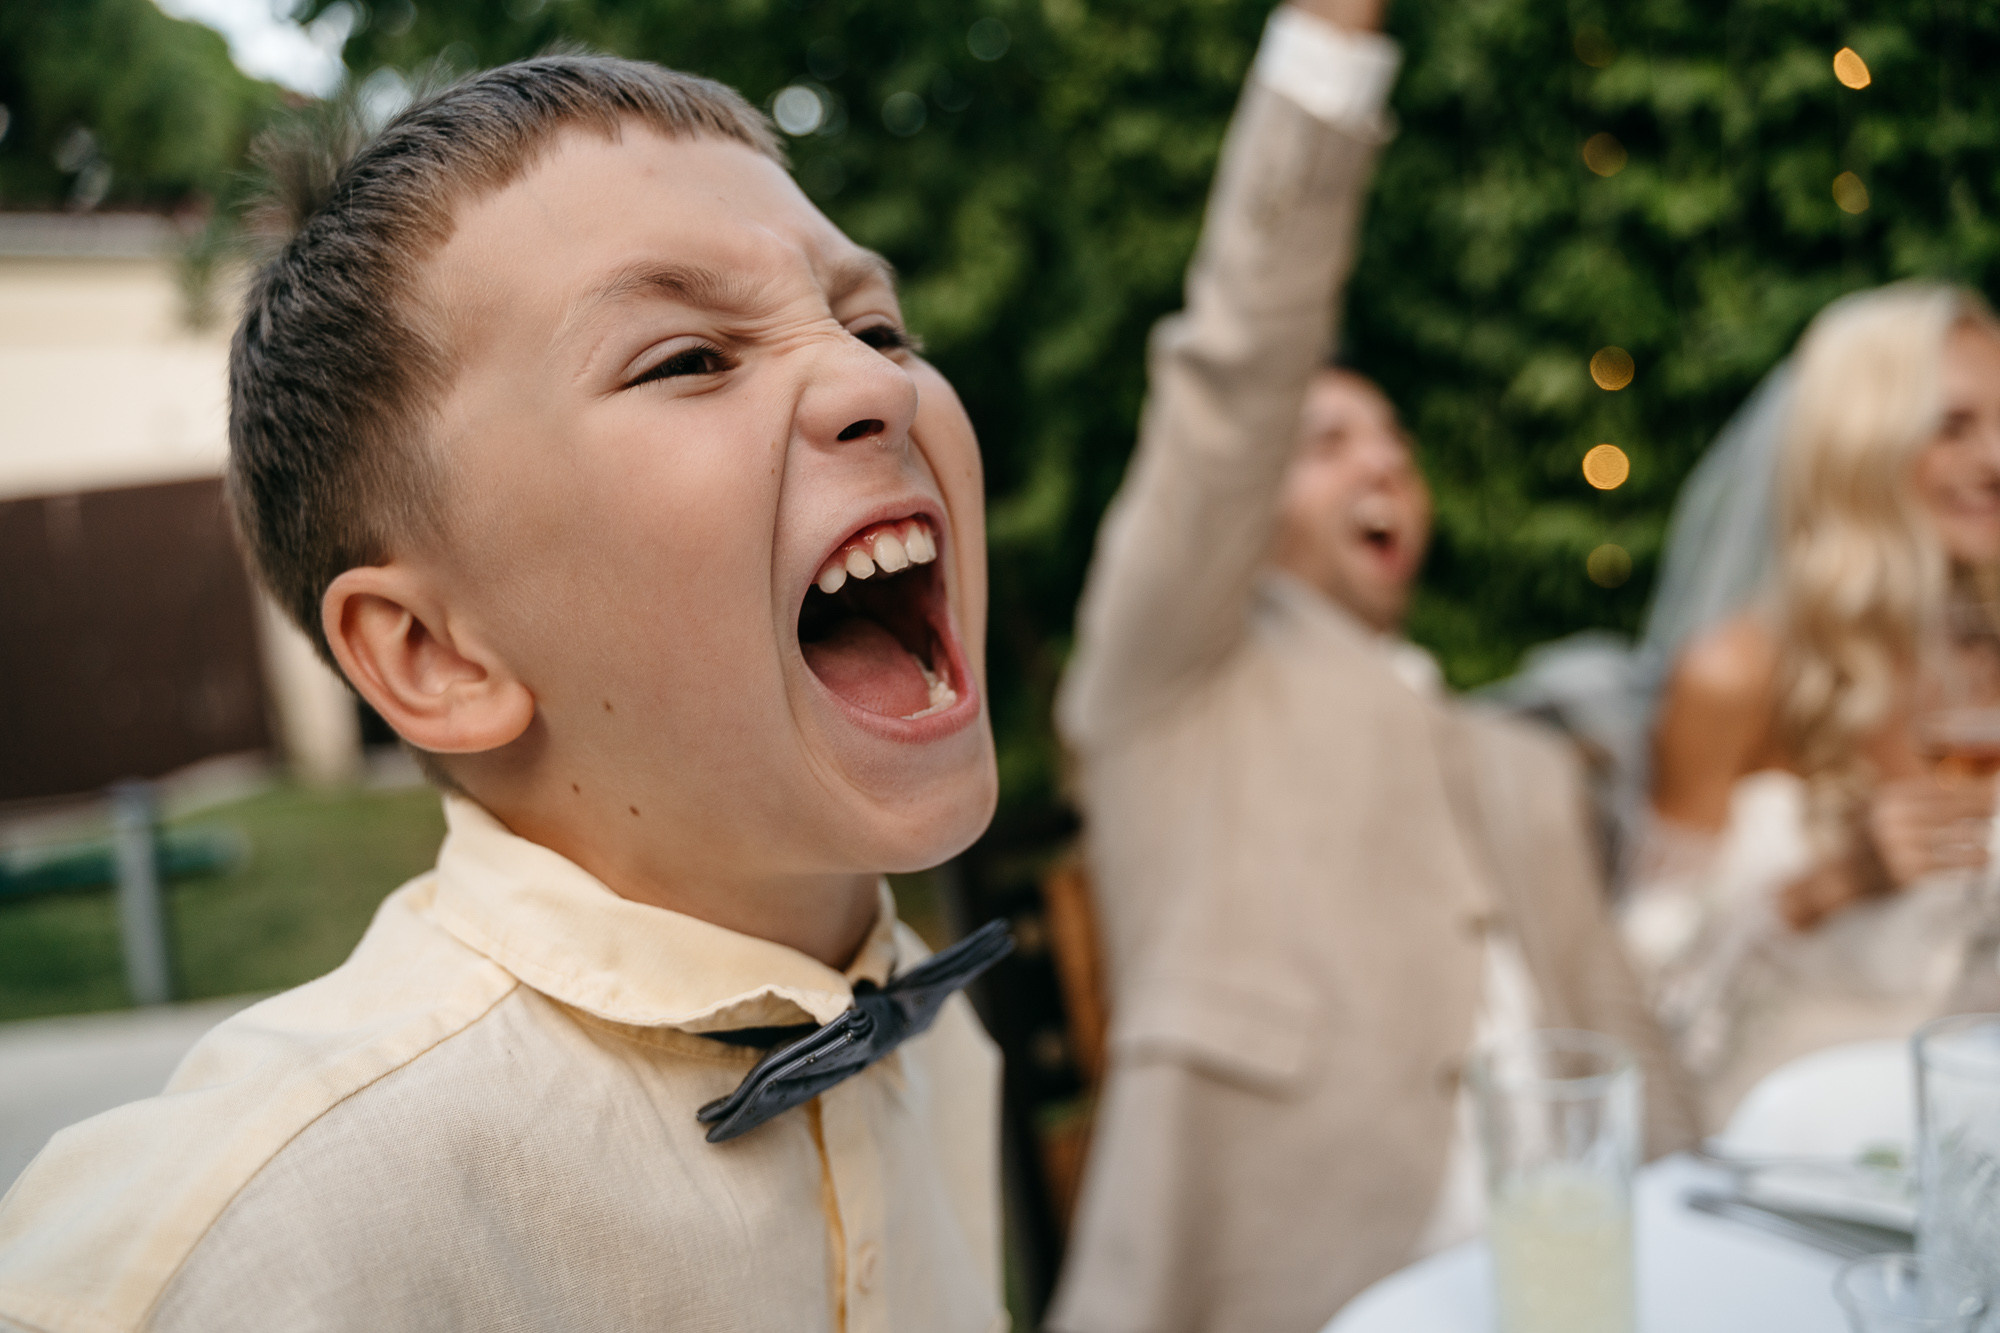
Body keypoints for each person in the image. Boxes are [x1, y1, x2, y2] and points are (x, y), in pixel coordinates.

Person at [0, 57, 1008, 1332]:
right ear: (436, 653)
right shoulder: (255, 1247)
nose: (877, 384)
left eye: (873, 327)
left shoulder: (940, 1048)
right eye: (690, 357)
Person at [1044, 4, 1698, 1328]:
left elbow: (1624, 1037)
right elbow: (1236, 379)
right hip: (1286, 1279)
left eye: (1394, 441)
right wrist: (1329, 56)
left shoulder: (1515, 754)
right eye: (1328, 438)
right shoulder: (1169, 677)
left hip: (1586, 1278)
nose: (1383, 459)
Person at [1630, 283, 2000, 1120]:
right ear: (1863, 442)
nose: (1998, 459)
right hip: (1790, 1132)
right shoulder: (1734, 674)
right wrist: (1832, 884)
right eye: (1955, 426)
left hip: (1971, 1121)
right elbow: (1648, 995)